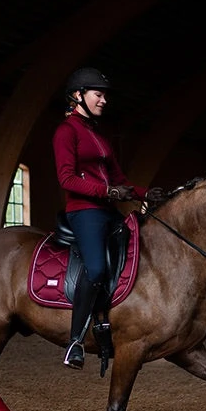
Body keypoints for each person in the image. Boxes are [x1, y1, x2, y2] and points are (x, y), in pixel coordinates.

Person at [53, 67, 164, 369]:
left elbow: (119, 178)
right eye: (98, 95)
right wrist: (108, 192)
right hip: (84, 212)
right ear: (78, 96)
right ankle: (75, 341)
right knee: (98, 268)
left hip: (108, 209)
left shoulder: (100, 136)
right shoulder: (67, 131)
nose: (104, 101)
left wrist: (145, 193)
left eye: (104, 96)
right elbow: (67, 179)